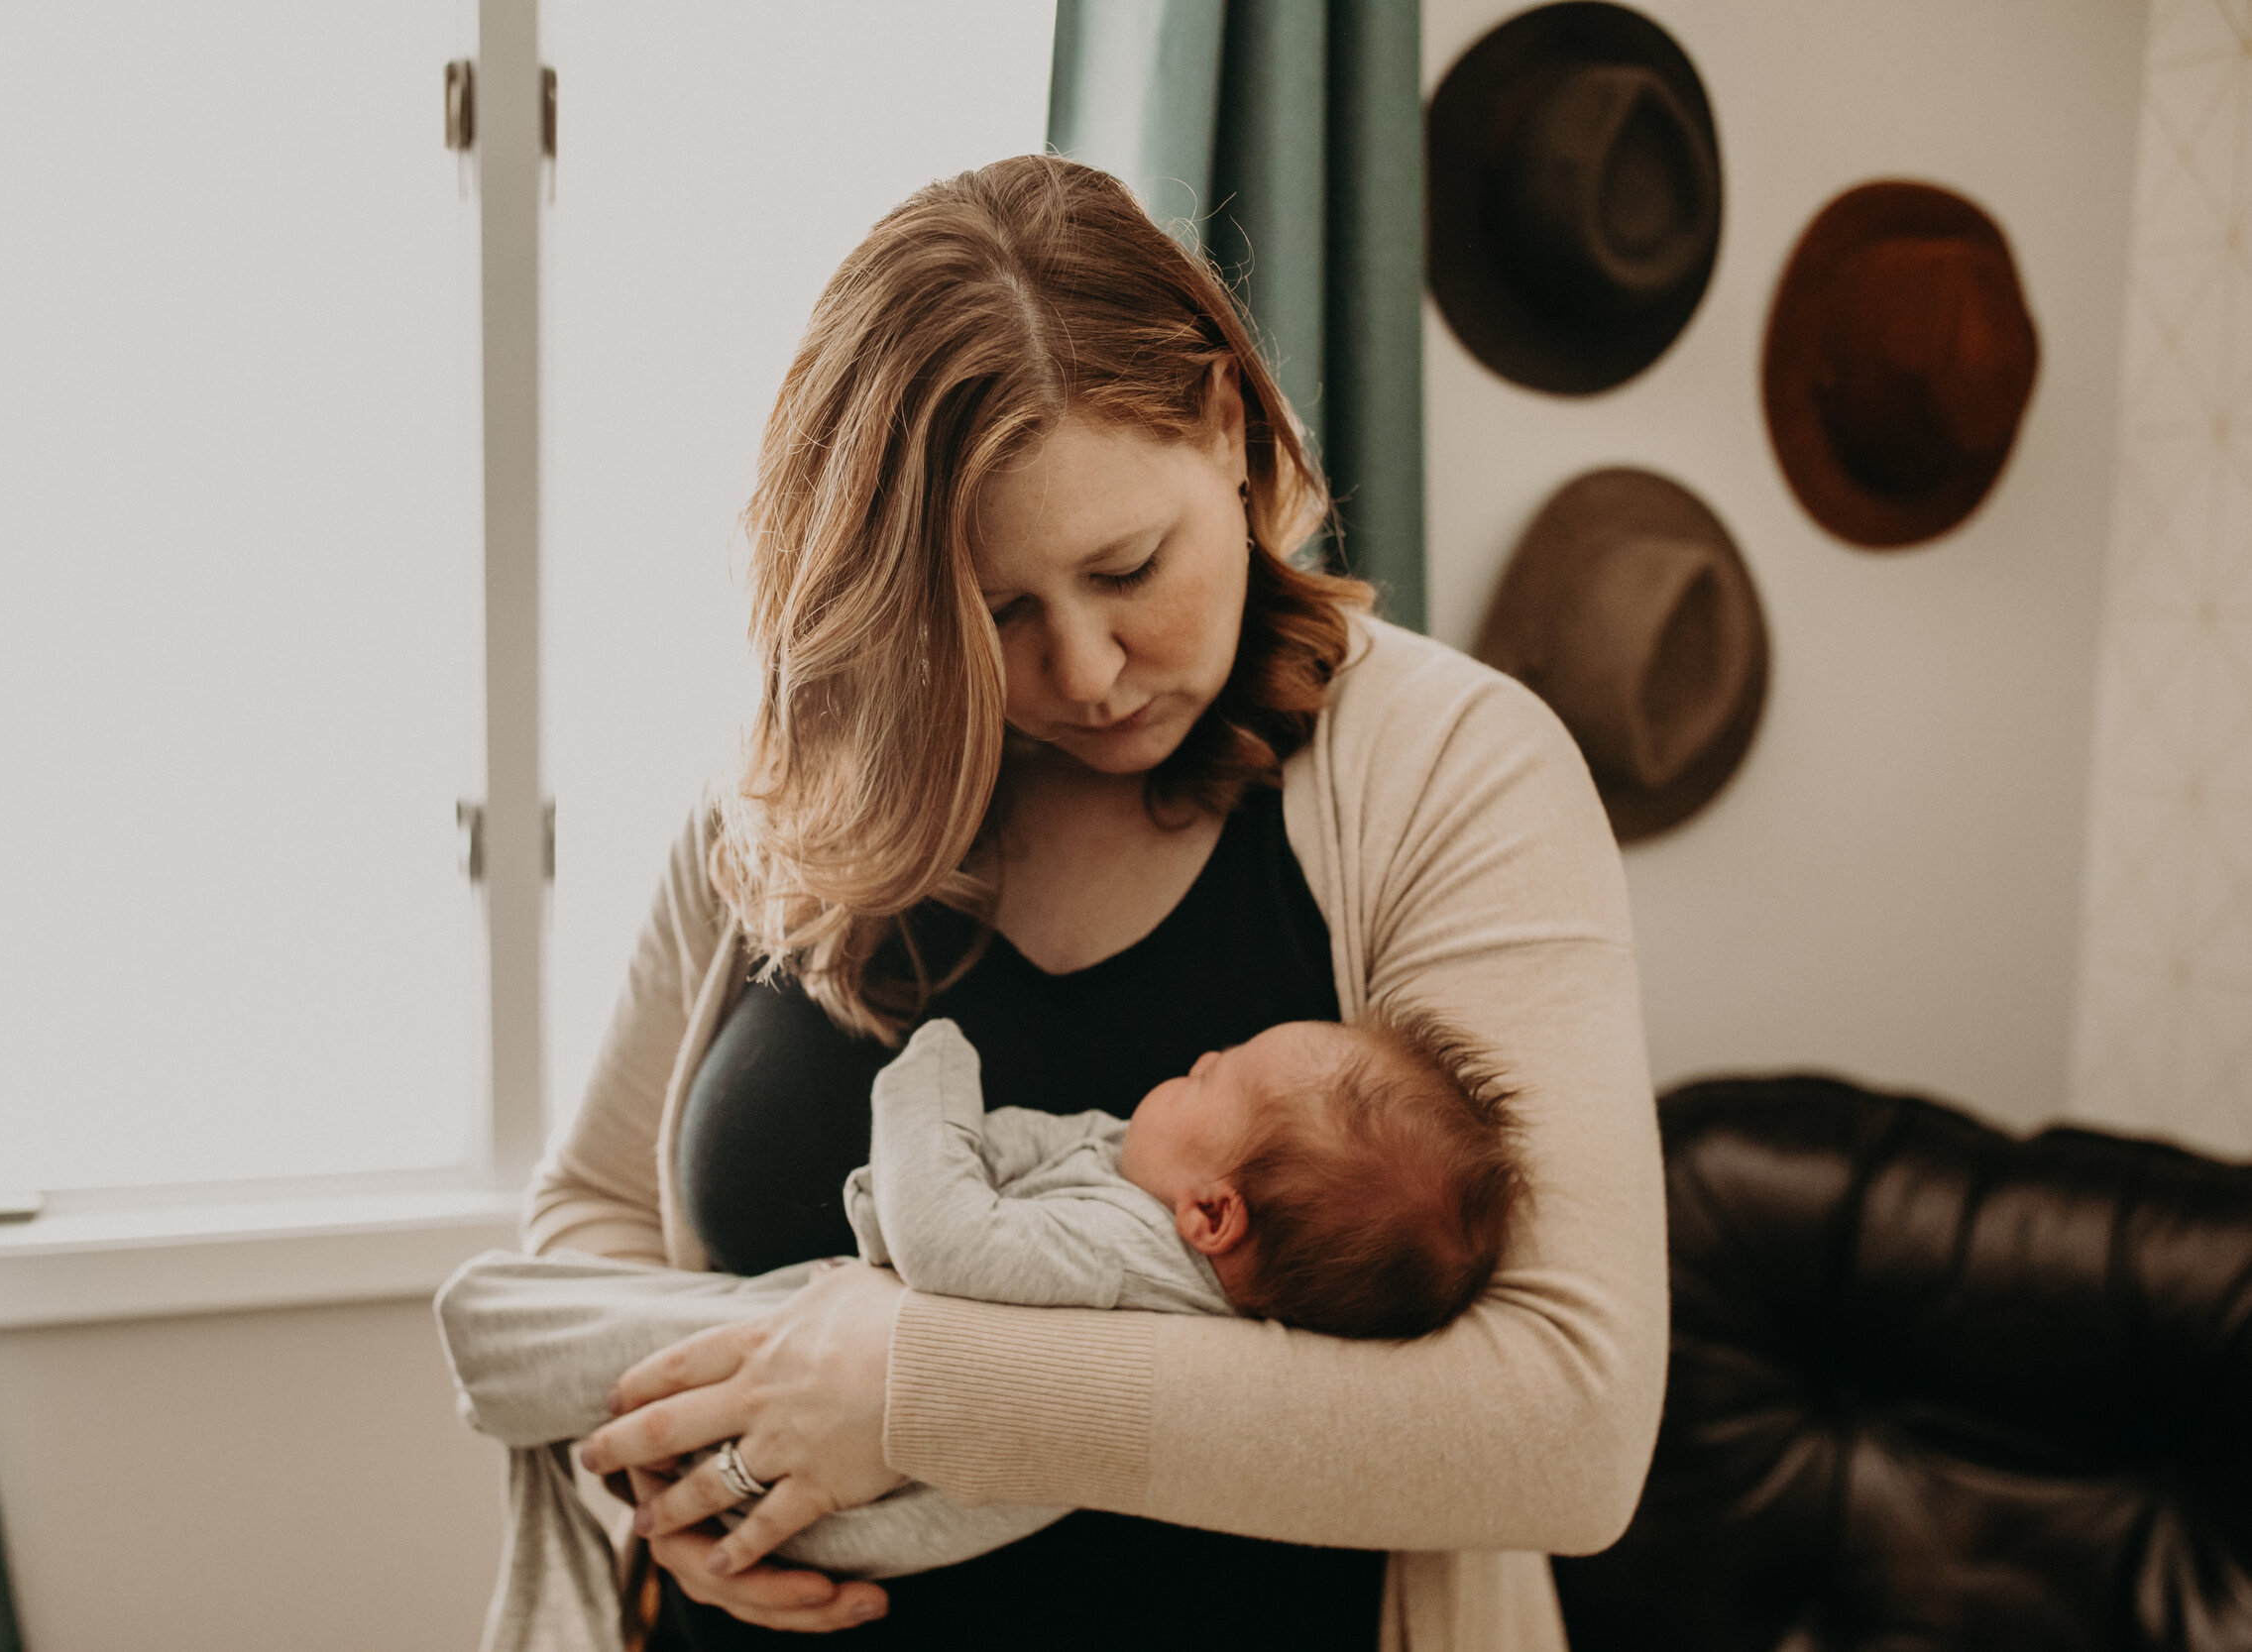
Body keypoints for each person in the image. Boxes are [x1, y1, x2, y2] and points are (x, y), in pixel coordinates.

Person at [529, 155, 1668, 1649]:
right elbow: (590, 1219)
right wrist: (674, 1488)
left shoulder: (1452, 769)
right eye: (991, 609)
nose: (1083, 669)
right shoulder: (788, 795)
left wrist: (921, 1389)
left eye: (1130, 567)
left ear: (1228, 429)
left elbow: (1564, 1427)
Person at [439, 1009, 1524, 1589]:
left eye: (1211, 1078)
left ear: (1212, 1217)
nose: (1194, 1055)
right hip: (771, 1524)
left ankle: (501, 1349)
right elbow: (593, 1185)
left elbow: (947, 1234)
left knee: (606, 1328)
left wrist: (931, 1067)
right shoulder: (1159, 1233)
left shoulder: (1119, 1250)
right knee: (708, 1343)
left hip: (857, 1515)